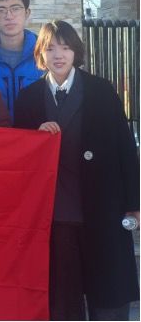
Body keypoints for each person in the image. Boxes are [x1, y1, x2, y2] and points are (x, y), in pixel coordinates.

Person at [14, 20, 139, 321]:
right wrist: (35, 137)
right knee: (62, 297)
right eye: (50, 49)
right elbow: (18, 157)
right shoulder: (29, 97)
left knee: (108, 294)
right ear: (40, 54)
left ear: (76, 52)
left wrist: (134, 202)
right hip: (55, 213)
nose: (58, 55)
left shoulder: (100, 90)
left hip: (102, 204)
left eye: (66, 47)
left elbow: (125, 148)